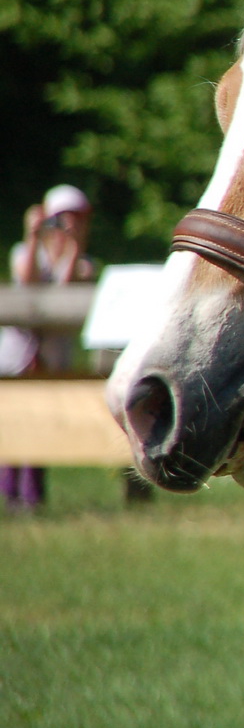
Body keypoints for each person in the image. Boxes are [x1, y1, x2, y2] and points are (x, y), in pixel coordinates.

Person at [1, 185, 97, 512]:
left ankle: (31, 498)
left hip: (51, 359)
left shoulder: (83, 264)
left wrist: (74, 247)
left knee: (40, 429)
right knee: (11, 426)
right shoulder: (24, 253)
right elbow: (26, 282)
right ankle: (9, 495)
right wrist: (32, 237)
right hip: (17, 358)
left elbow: (64, 289)